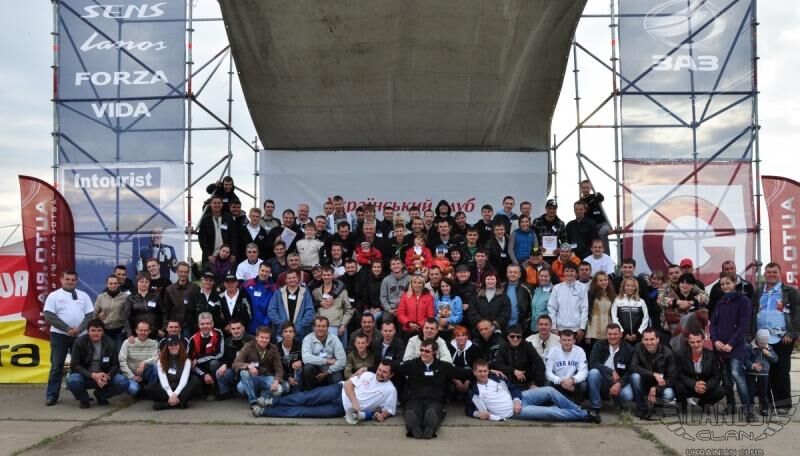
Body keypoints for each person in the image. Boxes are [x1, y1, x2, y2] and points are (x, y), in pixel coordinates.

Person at [253, 359, 397, 423]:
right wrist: (355, 403)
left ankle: (265, 412)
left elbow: (389, 410)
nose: (380, 373)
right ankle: (271, 401)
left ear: (391, 375)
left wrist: (382, 415)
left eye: (384, 372)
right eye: (379, 370)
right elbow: (348, 384)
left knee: (304, 412)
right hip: (338, 391)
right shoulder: (367, 374)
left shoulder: (390, 390)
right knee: (305, 398)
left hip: (341, 410)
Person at [466, 359, 592, 422]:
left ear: (488, 371)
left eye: (485, 371)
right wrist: (478, 414)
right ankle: (584, 415)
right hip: (514, 412)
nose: (483, 374)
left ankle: (577, 410)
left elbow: (513, 388)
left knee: (549, 390)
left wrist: (516, 401)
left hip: (520, 398)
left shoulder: (497, 378)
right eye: (480, 371)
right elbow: (468, 409)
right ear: (474, 372)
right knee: (551, 412)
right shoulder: (474, 392)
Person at [396, 339, 472, 438]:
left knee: (432, 411)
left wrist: (483, 372)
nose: (423, 353)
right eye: (421, 350)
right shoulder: (411, 365)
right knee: (412, 411)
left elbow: (462, 373)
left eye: (427, 351)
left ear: (435, 352)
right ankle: (414, 427)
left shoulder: (443, 366)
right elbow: (394, 369)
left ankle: (430, 428)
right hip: (414, 398)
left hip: (435, 399)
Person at [751, 262, 799, 414]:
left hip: (783, 337)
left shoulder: (790, 292)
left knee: (781, 370)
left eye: (774, 272)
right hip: (762, 338)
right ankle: (770, 403)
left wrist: (791, 333)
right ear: (765, 274)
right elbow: (753, 313)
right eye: (769, 272)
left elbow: (797, 314)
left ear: (780, 273)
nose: (771, 275)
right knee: (767, 371)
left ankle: (784, 404)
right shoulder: (758, 292)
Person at [709, 272, 753, 415]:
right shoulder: (720, 301)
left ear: (734, 283)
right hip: (720, 348)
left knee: (737, 375)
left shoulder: (744, 301)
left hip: (735, 347)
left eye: (728, 283)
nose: (725, 286)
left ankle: (748, 409)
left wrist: (731, 344)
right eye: (722, 284)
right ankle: (731, 405)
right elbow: (713, 324)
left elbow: (743, 325)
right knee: (726, 379)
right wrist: (715, 340)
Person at [66, 319, 129, 408]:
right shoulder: (79, 342)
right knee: (72, 381)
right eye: (93, 330)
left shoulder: (110, 343)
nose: (96, 333)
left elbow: (115, 364)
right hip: (86, 375)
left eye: (99, 330)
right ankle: (84, 399)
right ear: (88, 332)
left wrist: (108, 375)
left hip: (104, 376)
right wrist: (92, 375)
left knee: (123, 382)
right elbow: (74, 365)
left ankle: (101, 395)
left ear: (103, 332)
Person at [587, 323, 634, 420]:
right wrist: (611, 371)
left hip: (619, 380)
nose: (612, 337)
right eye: (610, 334)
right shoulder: (599, 344)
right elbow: (593, 363)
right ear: (606, 335)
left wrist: (620, 384)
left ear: (621, 334)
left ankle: (618, 403)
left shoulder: (629, 349)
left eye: (615, 334)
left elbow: (631, 370)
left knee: (627, 394)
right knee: (593, 373)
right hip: (603, 379)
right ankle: (595, 406)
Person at [232, 325, 284, 408]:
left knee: (279, 390)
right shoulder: (248, 346)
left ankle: (263, 396)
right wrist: (248, 366)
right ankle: (253, 402)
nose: (264, 340)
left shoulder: (273, 348)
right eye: (262, 337)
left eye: (267, 338)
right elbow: (235, 364)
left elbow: (279, 367)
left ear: (269, 338)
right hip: (253, 378)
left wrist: (277, 380)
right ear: (256, 337)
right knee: (241, 384)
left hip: (266, 377)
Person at [675, 330, 727, 414]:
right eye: (692, 342)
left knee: (721, 391)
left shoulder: (711, 355)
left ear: (703, 340)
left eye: (698, 341)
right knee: (678, 386)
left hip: (705, 386)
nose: (696, 345)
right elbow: (679, 374)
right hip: (689, 386)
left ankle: (704, 404)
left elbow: (716, 376)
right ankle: (682, 406)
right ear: (688, 342)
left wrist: (705, 386)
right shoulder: (680, 354)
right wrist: (694, 384)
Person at [630, 328, 677, 420]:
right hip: (644, 382)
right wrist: (653, 374)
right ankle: (641, 407)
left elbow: (672, 378)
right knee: (634, 377)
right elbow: (633, 367)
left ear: (657, 339)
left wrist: (656, 388)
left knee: (669, 394)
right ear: (642, 340)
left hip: (660, 385)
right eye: (646, 339)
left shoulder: (668, 353)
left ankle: (654, 404)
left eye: (652, 339)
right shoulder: (638, 348)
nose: (649, 342)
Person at [145, 335, 201, 410]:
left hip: (180, 388)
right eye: (171, 345)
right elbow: (163, 381)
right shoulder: (161, 360)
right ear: (167, 347)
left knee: (195, 380)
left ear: (179, 345)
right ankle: (180, 403)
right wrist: (171, 395)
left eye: (176, 344)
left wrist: (175, 394)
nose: (173, 347)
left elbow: (184, 380)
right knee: (149, 387)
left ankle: (166, 404)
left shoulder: (186, 360)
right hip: (167, 388)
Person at [267, 270, 316, 341]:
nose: (292, 280)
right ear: (286, 280)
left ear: (297, 278)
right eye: (289, 278)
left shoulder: (305, 292)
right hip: (282, 332)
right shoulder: (279, 293)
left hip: (300, 333)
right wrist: (281, 324)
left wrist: (300, 325)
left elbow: (310, 310)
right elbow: (272, 310)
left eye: (294, 277)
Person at [301, 316, 347, 389]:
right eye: (318, 326)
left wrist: (327, 372)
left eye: (323, 326)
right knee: (307, 368)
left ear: (328, 328)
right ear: (313, 327)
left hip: (331, 370)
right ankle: (311, 393)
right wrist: (326, 361)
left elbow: (342, 360)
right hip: (316, 369)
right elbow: (306, 358)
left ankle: (334, 395)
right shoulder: (307, 339)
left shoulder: (334, 339)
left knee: (337, 379)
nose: (321, 328)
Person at [187, 312, 225, 399]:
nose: (205, 326)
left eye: (208, 323)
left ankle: (216, 388)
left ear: (212, 324)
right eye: (202, 324)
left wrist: (199, 359)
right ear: (198, 325)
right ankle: (205, 390)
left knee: (214, 363)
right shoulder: (193, 339)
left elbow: (220, 353)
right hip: (199, 368)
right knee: (194, 377)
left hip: (213, 365)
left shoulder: (218, 333)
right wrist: (204, 374)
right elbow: (190, 363)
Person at [312, 265, 353, 346]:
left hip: (336, 324)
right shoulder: (316, 292)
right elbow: (313, 308)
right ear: (321, 276)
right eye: (324, 275)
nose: (326, 277)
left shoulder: (342, 292)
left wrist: (343, 325)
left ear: (333, 275)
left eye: (328, 275)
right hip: (320, 326)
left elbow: (348, 309)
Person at [545, 329, 588, 404]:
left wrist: (573, 380)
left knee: (583, 385)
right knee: (547, 383)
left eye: (569, 340)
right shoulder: (553, 351)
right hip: (558, 382)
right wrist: (560, 381)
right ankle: (552, 404)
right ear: (560, 341)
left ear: (574, 341)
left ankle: (577, 404)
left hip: (573, 384)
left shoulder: (580, 351)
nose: (566, 342)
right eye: (564, 340)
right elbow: (547, 372)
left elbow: (583, 371)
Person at [215, 319, 254, 399]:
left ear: (243, 328)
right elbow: (225, 358)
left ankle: (250, 393)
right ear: (230, 330)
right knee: (219, 372)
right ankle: (225, 392)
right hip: (234, 369)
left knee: (241, 388)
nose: (236, 331)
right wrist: (224, 364)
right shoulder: (227, 341)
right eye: (233, 329)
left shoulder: (251, 340)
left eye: (238, 328)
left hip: (247, 370)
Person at [547, 263, 588, 340]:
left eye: (572, 271)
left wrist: (582, 328)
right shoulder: (557, 288)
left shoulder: (582, 288)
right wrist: (553, 327)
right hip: (560, 328)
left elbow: (584, 308)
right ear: (563, 273)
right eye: (567, 271)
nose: (569, 273)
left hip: (576, 329)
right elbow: (552, 308)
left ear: (576, 273)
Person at [118, 320, 159, 397]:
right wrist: (132, 376)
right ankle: (140, 390)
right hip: (131, 374)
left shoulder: (154, 343)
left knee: (156, 367)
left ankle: (150, 389)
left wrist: (144, 362)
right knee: (134, 389)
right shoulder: (127, 343)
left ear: (149, 331)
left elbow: (156, 358)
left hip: (146, 372)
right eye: (141, 330)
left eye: (145, 330)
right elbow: (122, 361)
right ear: (136, 331)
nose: (143, 332)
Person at [198, 195, 237, 268]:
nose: (217, 205)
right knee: (209, 275)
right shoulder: (205, 220)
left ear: (222, 204)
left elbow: (233, 237)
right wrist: (208, 255)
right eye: (215, 203)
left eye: (219, 203)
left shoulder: (228, 218)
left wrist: (233, 254)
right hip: (211, 258)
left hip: (227, 257)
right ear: (210, 204)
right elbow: (202, 240)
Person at [747, 329, 779, 415]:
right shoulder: (750, 347)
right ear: (756, 339)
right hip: (751, 373)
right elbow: (745, 359)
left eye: (765, 343)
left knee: (763, 392)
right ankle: (750, 408)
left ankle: (764, 408)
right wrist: (752, 365)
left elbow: (775, 360)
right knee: (750, 391)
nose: (763, 345)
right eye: (761, 343)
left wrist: (768, 354)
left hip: (764, 373)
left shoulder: (769, 348)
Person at [123, 272, 163, 340]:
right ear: (137, 282)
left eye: (146, 282)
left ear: (149, 283)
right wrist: (129, 334)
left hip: (155, 333)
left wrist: (163, 329)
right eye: (141, 281)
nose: (144, 284)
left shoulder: (156, 297)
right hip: (137, 334)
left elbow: (164, 313)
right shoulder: (130, 298)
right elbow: (126, 318)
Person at [94, 274, 129, 351]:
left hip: (119, 331)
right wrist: (97, 320)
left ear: (119, 284)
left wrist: (125, 329)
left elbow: (128, 314)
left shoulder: (125, 297)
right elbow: (94, 314)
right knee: (105, 353)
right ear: (107, 284)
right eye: (110, 283)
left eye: (115, 283)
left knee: (118, 353)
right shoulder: (101, 297)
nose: (113, 285)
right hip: (105, 331)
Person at [162, 262, 198, 335]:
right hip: (174, 326)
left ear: (188, 273)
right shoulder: (169, 289)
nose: (183, 274)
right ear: (177, 272)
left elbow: (197, 308)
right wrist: (165, 325)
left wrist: (196, 325)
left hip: (190, 327)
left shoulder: (195, 288)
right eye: (181, 272)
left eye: (185, 272)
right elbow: (166, 310)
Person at [612, 277, 650, 344]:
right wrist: (623, 333)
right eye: (628, 285)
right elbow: (614, 318)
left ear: (636, 288)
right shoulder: (617, 301)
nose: (630, 288)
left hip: (638, 337)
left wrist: (638, 333)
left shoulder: (641, 301)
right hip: (622, 337)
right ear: (623, 287)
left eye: (632, 286)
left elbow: (645, 318)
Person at [579, 180, 612, 254]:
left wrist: (593, 200)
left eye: (587, 188)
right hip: (592, 226)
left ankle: (606, 255)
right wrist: (592, 202)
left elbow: (601, 197)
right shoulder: (581, 202)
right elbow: (585, 207)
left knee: (602, 233)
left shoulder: (595, 195)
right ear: (581, 189)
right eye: (584, 188)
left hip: (603, 224)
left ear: (590, 188)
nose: (585, 190)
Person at [585, 271, 616, 347]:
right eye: (601, 280)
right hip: (594, 329)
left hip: (608, 328)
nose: (604, 282)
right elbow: (588, 314)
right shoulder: (590, 294)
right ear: (596, 282)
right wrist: (588, 334)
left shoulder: (611, 294)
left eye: (605, 280)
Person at [503, 264, 532, 329]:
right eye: (510, 272)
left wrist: (526, 321)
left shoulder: (527, 288)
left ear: (519, 275)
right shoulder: (501, 287)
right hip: (503, 326)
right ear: (507, 274)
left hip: (521, 326)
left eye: (515, 272)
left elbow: (532, 308)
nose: (512, 274)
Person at [277, 322, 303, 392]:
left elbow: (306, 359)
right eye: (285, 331)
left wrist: (301, 362)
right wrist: (288, 377)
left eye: (290, 331)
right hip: (283, 376)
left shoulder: (300, 345)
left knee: (301, 368)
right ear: (282, 334)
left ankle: (297, 389)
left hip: (296, 376)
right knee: (284, 389)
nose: (288, 334)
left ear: (294, 334)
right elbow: (276, 367)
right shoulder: (276, 347)